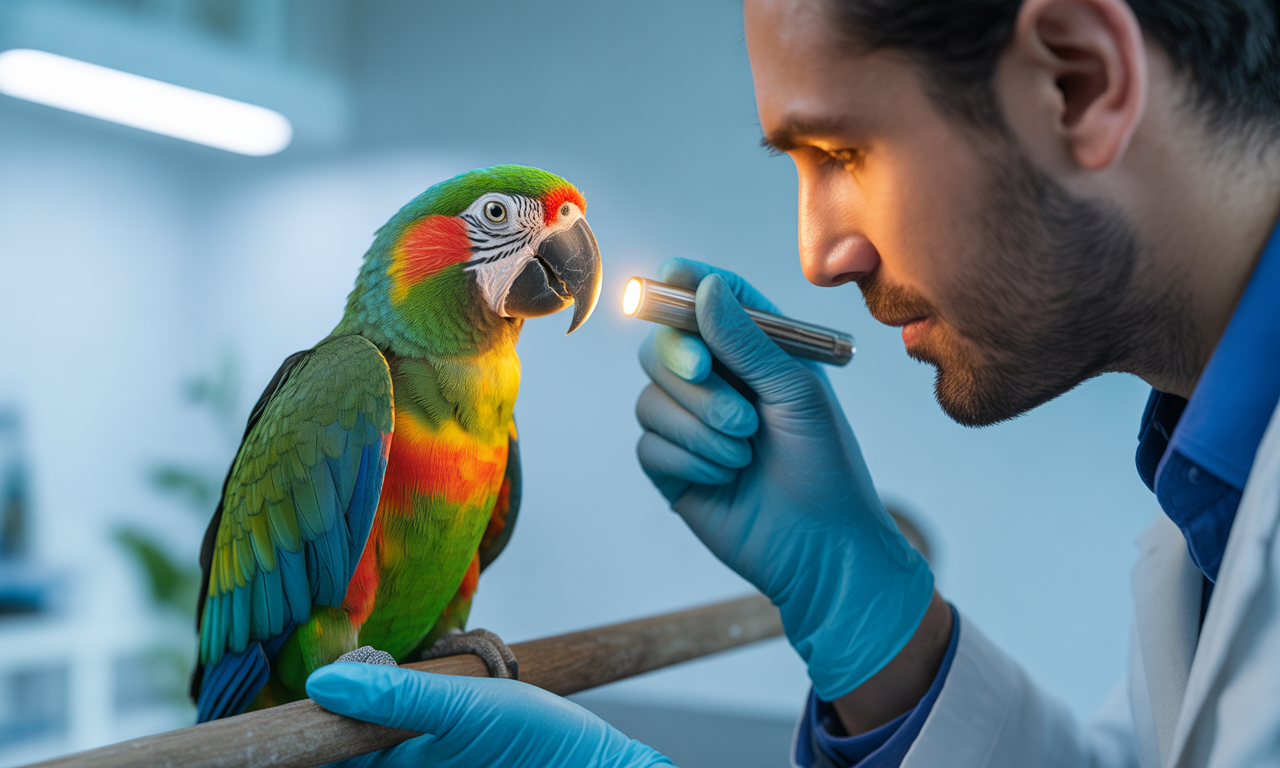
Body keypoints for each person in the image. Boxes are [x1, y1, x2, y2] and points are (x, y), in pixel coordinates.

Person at [304, 0, 1280, 765]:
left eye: (842, 153)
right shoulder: (1210, 482)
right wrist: (877, 628)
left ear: (1077, 81)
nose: (816, 256)